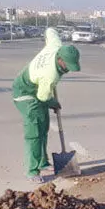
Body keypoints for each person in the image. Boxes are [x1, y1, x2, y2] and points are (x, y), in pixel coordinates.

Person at [11, 27, 81, 183]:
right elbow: (43, 97)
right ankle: (32, 170)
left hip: (38, 88)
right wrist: (54, 103)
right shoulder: (50, 74)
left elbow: (50, 31)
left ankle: (42, 161)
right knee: (35, 131)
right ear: (60, 60)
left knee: (44, 126)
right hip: (25, 94)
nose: (68, 70)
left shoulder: (56, 46)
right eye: (67, 66)